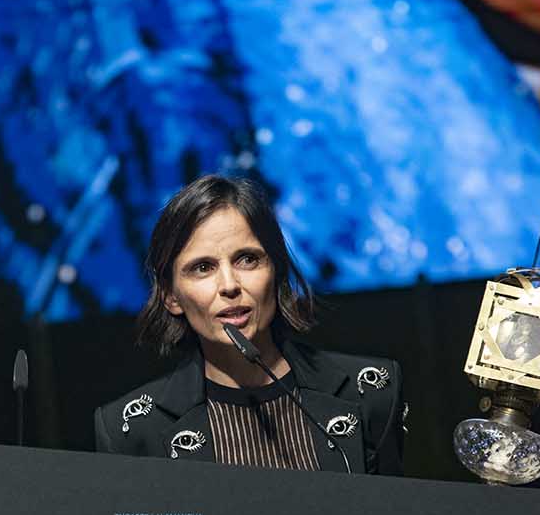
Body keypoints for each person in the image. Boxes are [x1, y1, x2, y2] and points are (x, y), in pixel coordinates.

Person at [95, 175, 404, 473]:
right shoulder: (130, 429)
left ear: (277, 272)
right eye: (203, 268)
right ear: (171, 297)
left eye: (247, 259)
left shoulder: (371, 390)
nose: (229, 285)